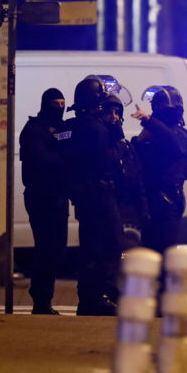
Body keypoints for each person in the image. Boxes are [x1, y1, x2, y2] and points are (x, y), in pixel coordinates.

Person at [67, 76, 125, 316]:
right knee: (111, 244)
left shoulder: (72, 126)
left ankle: (87, 299)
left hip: (83, 196)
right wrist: (118, 144)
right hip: (100, 194)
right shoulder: (97, 129)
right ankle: (100, 296)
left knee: (89, 247)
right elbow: (107, 160)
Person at [18, 88, 70, 315]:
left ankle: (44, 299)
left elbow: (69, 141)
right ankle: (41, 301)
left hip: (58, 195)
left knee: (57, 248)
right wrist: (65, 157)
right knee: (46, 247)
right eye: (55, 104)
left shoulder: (62, 129)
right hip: (40, 196)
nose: (60, 108)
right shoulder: (34, 129)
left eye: (62, 104)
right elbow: (41, 160)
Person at [131, 85, 187, 255]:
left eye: (165, 109)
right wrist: (139, 140)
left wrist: (149, 121)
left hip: (168, 198)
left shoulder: (179, 135)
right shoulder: (152, 133)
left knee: (164, 250)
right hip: (149, 198)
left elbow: (175, 145)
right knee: (149, 249)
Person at [102, 94, 149, 252]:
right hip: (106, 207)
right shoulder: (100, 143)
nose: (114, 117)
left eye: (117, 113)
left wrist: (143, 209)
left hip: (128, 210)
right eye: (109, 112)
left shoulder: (125, 145)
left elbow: (137, 177)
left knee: (128, 254)